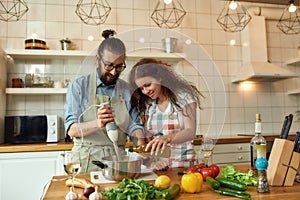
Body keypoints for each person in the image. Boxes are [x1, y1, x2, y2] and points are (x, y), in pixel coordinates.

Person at [64, 30, 145, 173]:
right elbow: (72, 130)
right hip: (86, 160)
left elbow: (133, 126)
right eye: (109, 65)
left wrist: (143, 141)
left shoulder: (127, 90)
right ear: (97, 59)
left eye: (119, 66)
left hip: (118, 160)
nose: (114, 72)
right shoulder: (79, 87)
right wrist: (98, 123)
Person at [129, 58, 203, 169]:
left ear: (160, 77)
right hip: (161, 167)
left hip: (184, 164)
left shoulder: (183, 96)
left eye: (148, 85)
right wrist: (152, 161)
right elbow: (148, 138)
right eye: (141, 88)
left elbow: (190, 131)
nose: (145, 91)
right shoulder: (149, 104)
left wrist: (166, 138)